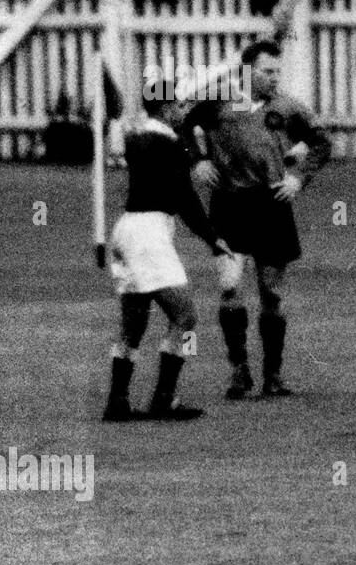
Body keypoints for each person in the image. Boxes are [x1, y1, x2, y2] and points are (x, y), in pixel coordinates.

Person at [186, 40, 330, 399]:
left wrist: (298, 178)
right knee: (230, 286)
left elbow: (322, 142)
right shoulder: (218, 99)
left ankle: (273, 376)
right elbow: (182, 124)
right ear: (247, 70)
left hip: (271, 204)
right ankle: (239, 372)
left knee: (271, 293)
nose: (273, 77)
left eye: (277, 71)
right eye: (267, 71)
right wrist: (198, 161)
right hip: (230, 203)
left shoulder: (288, 107)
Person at [104, 79, 233, 422]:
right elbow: (185, 198)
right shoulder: (166, 142)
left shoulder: (135, 135)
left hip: (126, 231)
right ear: (164, 109)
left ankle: (117, 402)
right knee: (185, 316)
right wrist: (212, 238)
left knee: (134, 324)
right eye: (177, 106)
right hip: (149, 235)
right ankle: (164, 398)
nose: (182, 111)